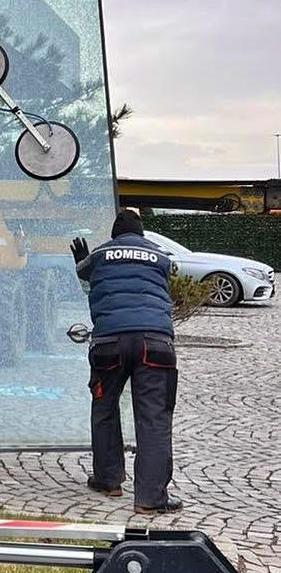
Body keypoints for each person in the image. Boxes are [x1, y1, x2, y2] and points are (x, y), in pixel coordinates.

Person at [71, 208, 182, 514]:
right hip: (155, 345)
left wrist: (81, 263)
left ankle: (108, 480)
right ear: (142, 234)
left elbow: (87, 282)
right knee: (154, 419)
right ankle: (150, 499)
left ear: (113, 234)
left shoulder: (99, 256)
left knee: (104, 409)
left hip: (109, 344)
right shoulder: (160, 256)